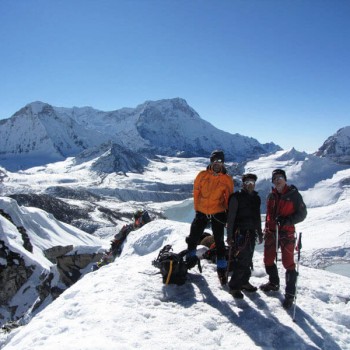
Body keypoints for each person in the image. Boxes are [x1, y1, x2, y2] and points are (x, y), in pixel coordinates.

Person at [185, 150, 234, 285]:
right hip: (201, 211)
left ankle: (222, 269)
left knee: (219, 241)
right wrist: (197, 209)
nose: (217, 164)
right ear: (211, 162)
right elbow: (196, 192)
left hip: (218, 212)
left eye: (220, 161)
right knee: (193, 236)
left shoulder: (227, 179)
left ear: (223, 163)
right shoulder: (202, 175)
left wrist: (227, 216)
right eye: (215, 161)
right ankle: (189, 260)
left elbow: (228, 198)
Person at [260, 169, 307, 308]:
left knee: (288, 263)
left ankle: (290, 294)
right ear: (273, 181)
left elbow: (302, 214)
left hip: (286, 233)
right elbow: (269, 215)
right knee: (268, 260)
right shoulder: (271, 196)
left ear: (285, 179)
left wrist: (287, 221)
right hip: (271, 232)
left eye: (280, 177)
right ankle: (274, 283)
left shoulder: (294, 195)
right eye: (275, 178)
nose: (278, 180)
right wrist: (266, 228)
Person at [226, 173, 263, 299]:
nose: (250, 185)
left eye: (252, 183)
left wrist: (260, 232)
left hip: (251, 233)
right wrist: (229, 236)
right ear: (243, 184)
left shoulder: (256, 198)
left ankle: (244, 282)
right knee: (241, 259)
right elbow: (230, 219)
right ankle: (234, 286)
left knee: (248, 259)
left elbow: (257, 217)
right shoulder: (236, 198)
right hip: (240, 233)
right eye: (248, 183)